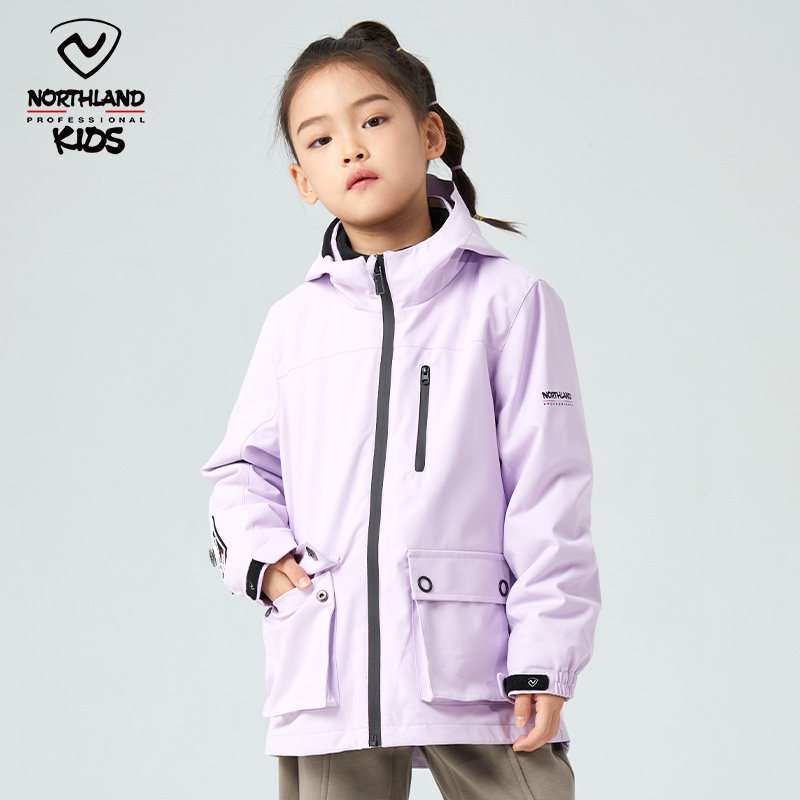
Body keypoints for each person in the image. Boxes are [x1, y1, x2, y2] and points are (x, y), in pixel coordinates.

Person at [200, 19, 601, 800]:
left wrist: (545, 657)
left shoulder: (510, 301)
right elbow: (239, 472)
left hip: (476, 664)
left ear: (429, 135)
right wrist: (269, 570)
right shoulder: (294, 324)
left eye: (374, 120)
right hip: (328, 667)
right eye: (320, 140)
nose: (351, 149)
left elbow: (550, 491)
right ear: (303, 180)